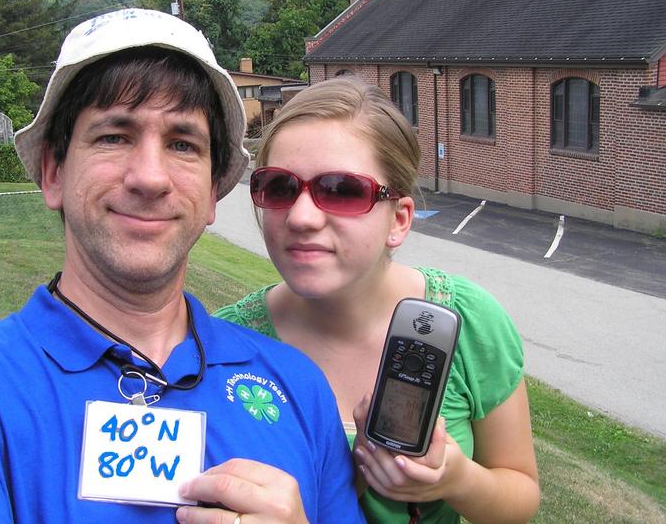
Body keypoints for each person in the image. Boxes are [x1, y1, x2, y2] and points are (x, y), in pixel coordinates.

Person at [0, 9, 366, 524]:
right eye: (114, 136)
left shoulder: (295, 386)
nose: (150, 177)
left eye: (182, 144)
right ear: (52, 173)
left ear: (213, 193)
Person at [215, 77, 540, 524]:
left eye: (342, 190)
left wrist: (457, 480)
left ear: (400, 219)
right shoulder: (224, 349)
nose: (301, 216)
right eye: (279, 187)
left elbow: (519, 494)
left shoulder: (468, 322)